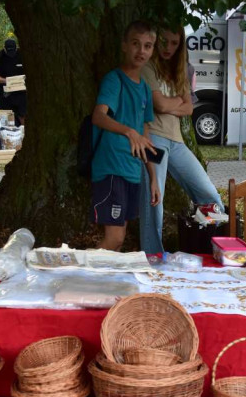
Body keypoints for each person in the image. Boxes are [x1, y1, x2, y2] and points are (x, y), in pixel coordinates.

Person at [139, 26, 224, 255]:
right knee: (154, 201)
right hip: (154, 139)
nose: (168, 47)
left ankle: (213, 248)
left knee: (211, 197)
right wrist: (174, 102)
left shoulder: (180, 70)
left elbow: (188, 109)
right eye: (164, 41)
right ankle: (152, 255)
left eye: (174, 42)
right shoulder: (147, 68)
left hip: (177, 142)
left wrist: (171, 103)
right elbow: (160, 105)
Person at [90, 20, 161, 251]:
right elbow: (98, 117)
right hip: (111, 169)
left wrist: (152, 177)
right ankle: (80, 277)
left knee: (120, 241)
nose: (141, 51)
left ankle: (102, 285)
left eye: (148, 46)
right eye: (136, 44)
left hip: (132, 172)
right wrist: (129, 131)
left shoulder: (145, 90)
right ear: (124, 46)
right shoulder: (115, 79)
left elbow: (145, 134)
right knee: (115, 239)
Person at [0, 38, 27, 126]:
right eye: (9, 52)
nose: (11, 54)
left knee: (23, 115)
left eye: (13, 51)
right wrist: (6, 81)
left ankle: (25, 134)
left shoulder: (22, 54)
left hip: (21, 92)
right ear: (4, 48)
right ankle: (10, 135)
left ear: (16, 47)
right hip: (6, 93)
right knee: (8, 118)